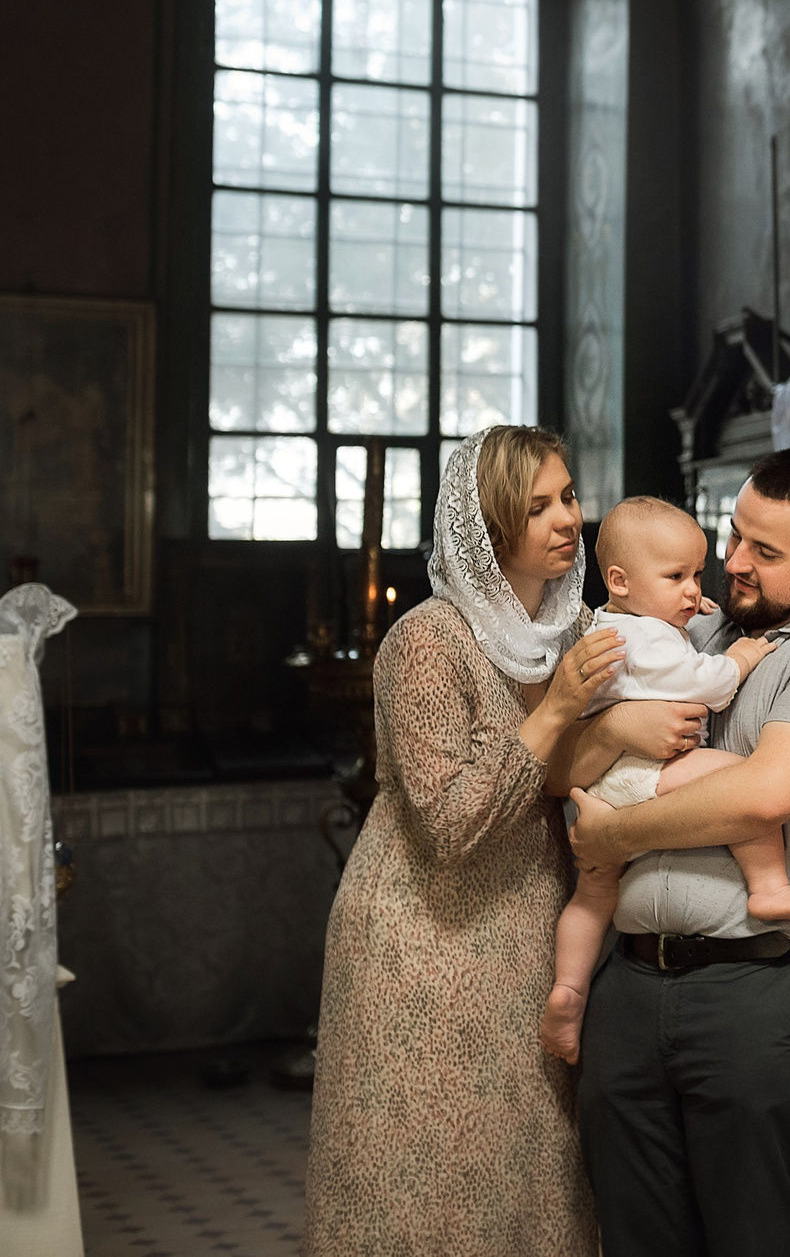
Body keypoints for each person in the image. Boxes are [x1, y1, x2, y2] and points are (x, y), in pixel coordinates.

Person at [305, 426, 713, 1257]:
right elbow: (451, 821)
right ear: (491, 526)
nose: (569, 518)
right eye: (538, 506)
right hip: (427, 941)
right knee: (427, 1180)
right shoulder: (427, 639)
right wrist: (562, 707)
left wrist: (632, 706)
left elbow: (571, 774)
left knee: (534, 1177)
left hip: (534, 928)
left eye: (568, 495)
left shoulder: (574, 633)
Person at [566, 446, 790, 1257]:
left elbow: (764, 796)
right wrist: (613, 728)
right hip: (629, 980)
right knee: (639, 1238)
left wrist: (614, 833)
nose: (733, 563)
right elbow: (558, 773)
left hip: (753, 987)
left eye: (765, 551)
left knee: (753, 1238)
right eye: (734, 534)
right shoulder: (686, 622)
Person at [539, 496, 790, 1066]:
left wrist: (683, 605)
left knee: (593, 893)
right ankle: (768, 884)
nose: (693, 591)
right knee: (738, 779)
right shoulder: (646, 637)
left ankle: (568, 993)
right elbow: (704, 682)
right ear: (620, 580)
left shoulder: (608, 627)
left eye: (698, 575)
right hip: (643, 773)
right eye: (676, 576)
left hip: (600, 790)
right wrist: (743, 658)